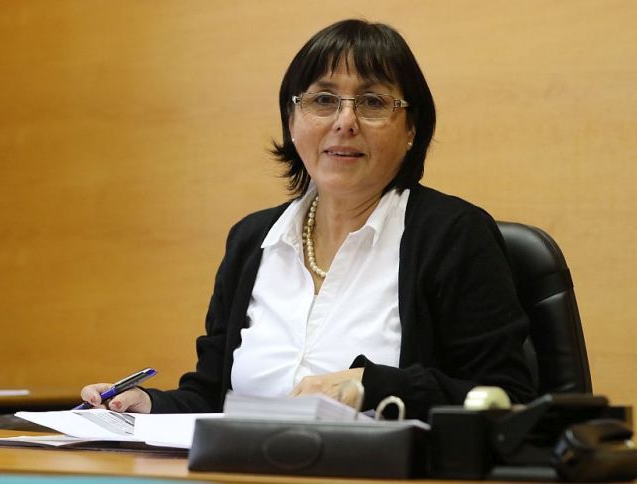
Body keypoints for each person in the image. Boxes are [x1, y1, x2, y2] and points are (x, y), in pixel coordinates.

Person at [81, 19, 536, 421]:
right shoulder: (252, 240)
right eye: (323, 100)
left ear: (412, 129)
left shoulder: (453, 235)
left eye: (373, 102)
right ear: (292, 120)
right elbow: (213, 395)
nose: (345, 121)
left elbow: (506, 400)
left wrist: (370, 385)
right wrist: (148, 404)